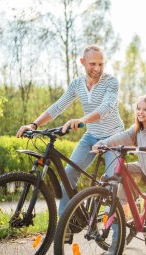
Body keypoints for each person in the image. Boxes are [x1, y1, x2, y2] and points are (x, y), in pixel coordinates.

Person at [16, 45, 124, 217]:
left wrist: (82, 120)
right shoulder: (76, 84)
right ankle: (65, 227)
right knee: (68, 174)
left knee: (112, 186)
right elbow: (58, 106)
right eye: (92, 64)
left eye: (101, 64)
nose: (97, 69)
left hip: (114, 137)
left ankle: (116, 236)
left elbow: (107, 107)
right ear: (82, 62)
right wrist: (34, 125)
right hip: (91, 136)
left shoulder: (111, 82)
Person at [93, 95, 146, 255]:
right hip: (144, 168)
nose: (140, 112)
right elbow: (122, 137)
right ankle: (126, 203)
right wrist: (103, 143)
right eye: (138, 109)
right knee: (121, 169)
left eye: (145, 109)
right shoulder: (137, 129)